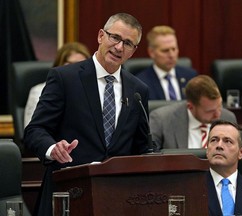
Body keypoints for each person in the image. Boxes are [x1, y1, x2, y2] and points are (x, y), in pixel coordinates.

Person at [23, 13, 149, 216]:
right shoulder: (65, 78)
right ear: (101, 36)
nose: (118, 47)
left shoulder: (138, 90)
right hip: (68, 194)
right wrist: (52, 148)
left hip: (116, 199)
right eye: (115, 37)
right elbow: (35, 130)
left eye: (127, 43)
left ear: (133, 51)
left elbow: (141, 147)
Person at [150, 75, 237, 150]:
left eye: (219, 106)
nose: (218, 114)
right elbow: (151, 159)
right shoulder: (161, 120)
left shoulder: (228, 118)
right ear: (190, 107)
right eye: (210, 111)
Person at [24, 42, 91, 127]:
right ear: (59, 64)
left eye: (81, 65)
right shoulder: (39, 91)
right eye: (71, 64)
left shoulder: (92, 91)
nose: (76, 69)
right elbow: (32, 130)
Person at [135, 25, 198, 100]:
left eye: (174, 49)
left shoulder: (191, 76)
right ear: (151, 52)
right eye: (165, 50)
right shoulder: (141, 83)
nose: (171, 55)